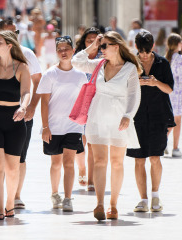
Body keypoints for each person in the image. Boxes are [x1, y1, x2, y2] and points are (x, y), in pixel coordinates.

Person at [72, 31, 142, 220]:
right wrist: (93, 45)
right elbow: (76, 61)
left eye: (104, 46)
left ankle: (113, 205)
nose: (101, 49)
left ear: (116, 46)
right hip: (98, 116)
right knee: (100, 161)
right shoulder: (99, 64)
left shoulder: (129, 69)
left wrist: (128, 115)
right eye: (100, 46)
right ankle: (100, 204)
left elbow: (134, 95)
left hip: (119, 118)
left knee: (117, 163)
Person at [0, 21, 42, 210]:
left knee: (13, 167)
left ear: (9, 46)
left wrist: (25, 107)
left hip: (15, 118)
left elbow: (26, 91)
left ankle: (10, 203)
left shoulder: (22, 66)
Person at [126, 30, 175, 214]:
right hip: (136, 116)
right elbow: (124, 89)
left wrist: (155, 83)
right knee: (139, 159)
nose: (144, 55)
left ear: (153, 47)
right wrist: (136, 83)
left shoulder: (163, 63)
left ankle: (155, 196)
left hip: (159, 116)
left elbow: (170, 89)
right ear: (136, 48)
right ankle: (143, 199)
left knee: (155, 157)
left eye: (147, 51)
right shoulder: (131, 64)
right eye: (141, 51)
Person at [37, 36, 87, 212]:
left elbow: (84, 101)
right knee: (56, 163)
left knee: (68, 162)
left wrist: (83, 126)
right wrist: (45, 127)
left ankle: (67, 198)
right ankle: (54, 193)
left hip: (73, 126)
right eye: (60, 49)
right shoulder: (49, 74)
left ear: (73, 51)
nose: (63, 52)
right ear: (56, 52)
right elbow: (44, 102)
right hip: (53, 126)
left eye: (67, 48)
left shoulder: (81, 76)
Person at [74, 27, 102, 191]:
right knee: (80, 141)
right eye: (89, 40)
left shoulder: (104, 58)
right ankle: (82, 168)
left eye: (95, 40)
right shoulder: (79, 58)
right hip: (80, 103)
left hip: (98, 104)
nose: (92, 43)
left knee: (92, 143)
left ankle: (91, 179)